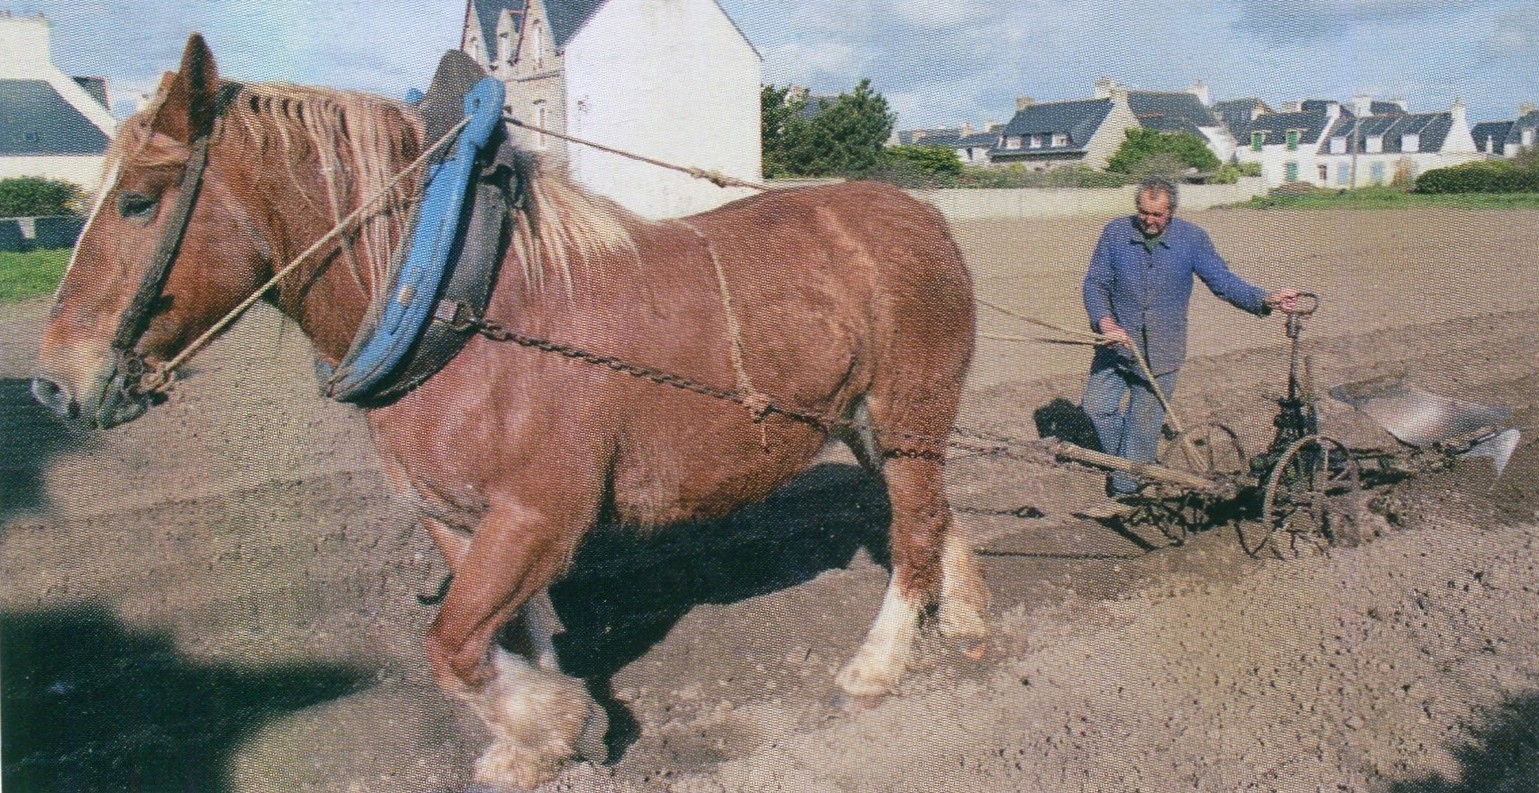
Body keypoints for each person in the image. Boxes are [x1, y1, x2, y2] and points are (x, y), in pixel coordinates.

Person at [1082, 176, 1297, 498]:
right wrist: (1106, 323)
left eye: (1157, 215)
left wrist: (1264, 298)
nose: (1148, 220)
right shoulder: (1115, 233)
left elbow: (1223, 282)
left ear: (1172, 212)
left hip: (1162, 351)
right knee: (1095, 408)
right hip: (1116, 347)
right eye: (1143, 212)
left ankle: (1127, 492)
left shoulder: (1192, 239)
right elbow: (1095, 283)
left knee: (1142, 429)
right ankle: (1127, 463)